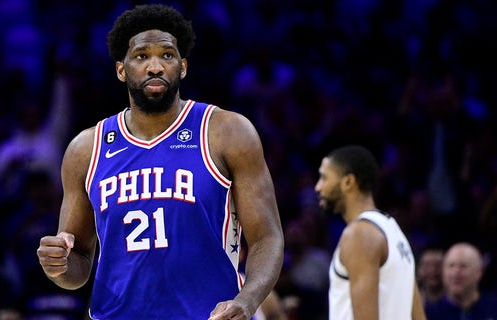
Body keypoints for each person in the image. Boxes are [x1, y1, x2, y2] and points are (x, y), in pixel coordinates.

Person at [36, 4, 284, 319]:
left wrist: (248, 301)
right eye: (141, 56)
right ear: (121, 70)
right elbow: (79, 265)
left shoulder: (226, 132)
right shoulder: (86, 149)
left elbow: (267, 237)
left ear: (182, 67)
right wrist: (58, 264)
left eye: (166, 55)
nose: (155, 66)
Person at [314, 145, 425, 319]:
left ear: (348, 182)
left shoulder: (359, 235)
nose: (318, 187)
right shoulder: (393, 229)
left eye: (324, 178)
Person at [425, 242, 497, 319]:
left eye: (463, 266)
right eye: (451, 266)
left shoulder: (494, 309)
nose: (456, 272)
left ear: (479, 272)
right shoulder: (428, 313)